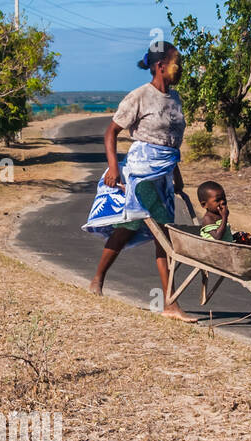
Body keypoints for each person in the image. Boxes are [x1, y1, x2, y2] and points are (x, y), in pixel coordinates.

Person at [83, 42, 196, 322]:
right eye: (175, 63)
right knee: (162, 232)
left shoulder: (176, 98)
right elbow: (111, 133)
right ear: (160, 66)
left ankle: (98, 280)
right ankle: (170, 303)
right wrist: (113, 169)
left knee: (132, 228)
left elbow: (171, 142)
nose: (179, 68)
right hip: (142, 171)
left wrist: (176, 176)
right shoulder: (139, 97)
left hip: (165, 174)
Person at [196, 181, 251, 246]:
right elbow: (217, 237)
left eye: (224, 198)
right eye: (218, 200)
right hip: (213, 248)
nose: (223, 202)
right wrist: (224, 217)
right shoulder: (208, 219)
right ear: (204, 204)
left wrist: (234, 236)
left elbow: (224, 235)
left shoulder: (219, 214)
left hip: (224, 248)